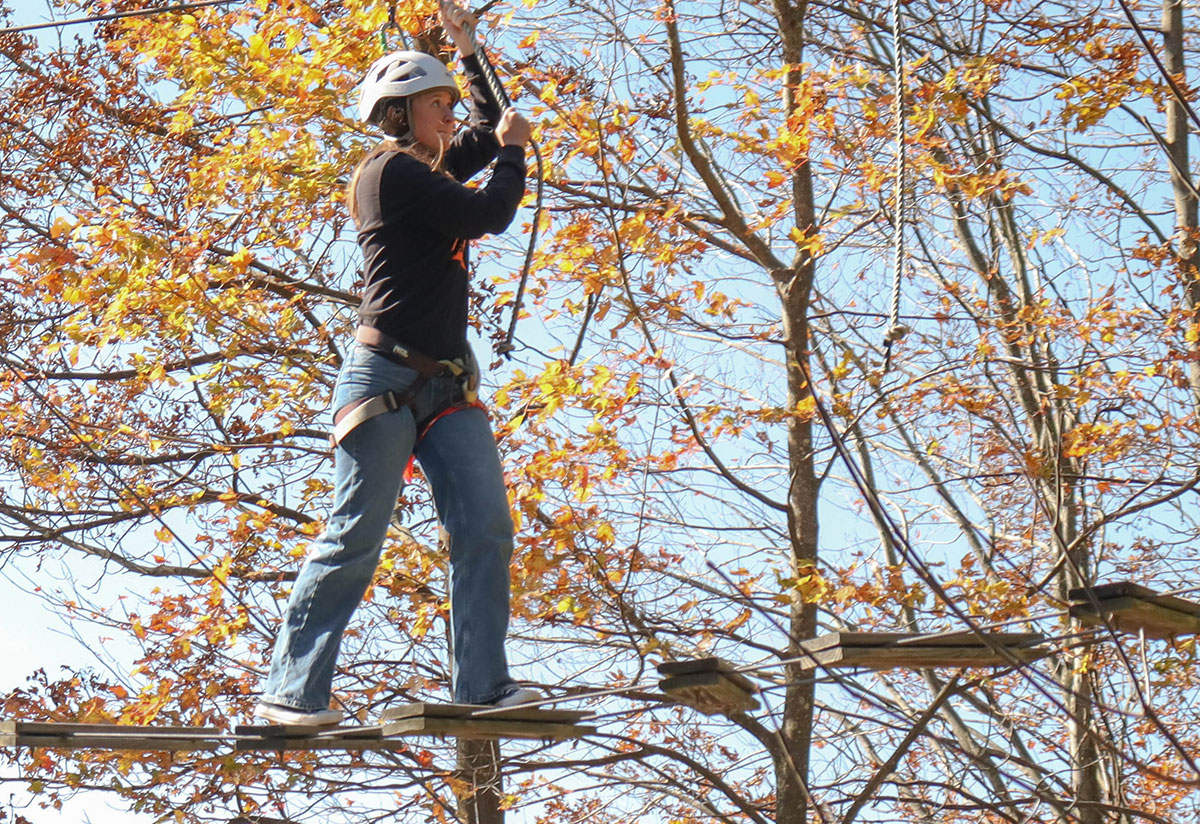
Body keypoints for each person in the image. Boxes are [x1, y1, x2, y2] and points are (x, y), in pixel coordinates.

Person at [254, 0, 537, 725]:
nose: (450, 118)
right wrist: (511, 154)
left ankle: (482, 685)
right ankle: (293, 691)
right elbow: (488, 210)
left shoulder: (426, 169)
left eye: (448, 104)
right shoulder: (388, 173)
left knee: (485, 527)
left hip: (445, 384)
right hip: (383, 378)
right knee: (356, 532)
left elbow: (485, 126)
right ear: (401, 113)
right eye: (437, 105)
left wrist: (469, 53)